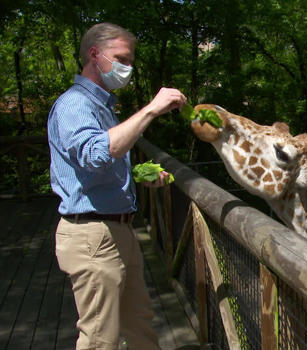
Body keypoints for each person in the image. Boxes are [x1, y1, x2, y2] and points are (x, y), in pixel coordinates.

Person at [47, 22, 186, 350]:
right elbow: (96, 154)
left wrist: (140, 177)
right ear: (95, 55)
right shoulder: (74, 105)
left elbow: (99, 166)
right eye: (121, 58)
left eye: (131, 61)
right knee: (100, 339)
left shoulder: (102, 106)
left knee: (140, 327)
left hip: (118, 231)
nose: (128, 68)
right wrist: (151, 109)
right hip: (92, 236)